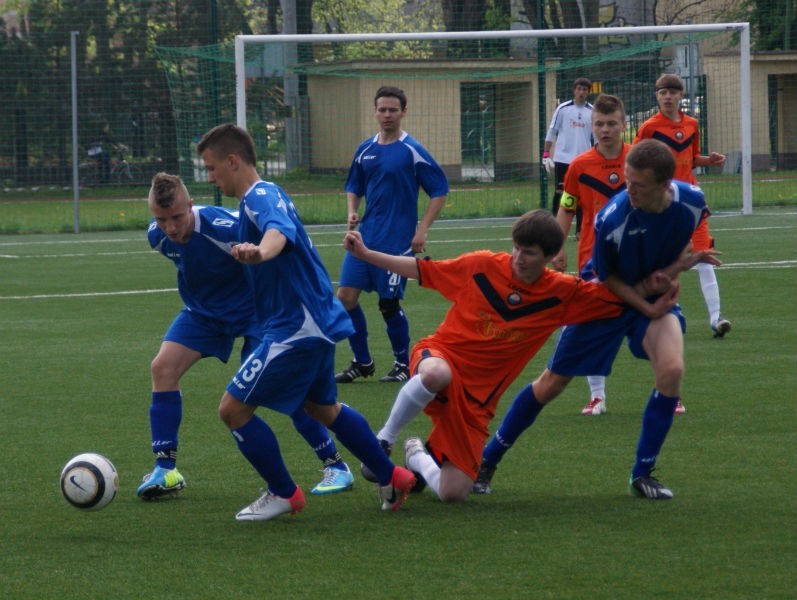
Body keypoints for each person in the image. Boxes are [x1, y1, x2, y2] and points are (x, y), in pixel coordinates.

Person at [343, 209, 685, 503]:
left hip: (477, 400)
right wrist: (367, 254)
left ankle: (416, 454)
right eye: (517, 248)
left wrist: (659, 286)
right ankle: (382, 443)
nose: (520, 258)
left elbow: (613, 298)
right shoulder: (482, 265)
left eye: (530, 253)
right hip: (442, 355)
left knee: (453, 494)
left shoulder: (563, 293)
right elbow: (421, 270)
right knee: (435, 374)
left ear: (550, 256)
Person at [474, 139, 721, 499]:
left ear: (666, 185)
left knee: (672, 371)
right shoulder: (613, 218)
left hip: (649, 299)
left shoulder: (693, 203)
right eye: (626, 180)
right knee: (550, 385)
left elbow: (673, 249)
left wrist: (673, 273)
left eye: (638, 185)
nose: (628, 190)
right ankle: (487, 460)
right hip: (602, 299)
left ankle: (643, 473)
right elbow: (608, 280)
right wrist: (649, 304)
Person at [196, 123, 416, 521]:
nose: (210, 177)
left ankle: (284, 493)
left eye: (211, 168)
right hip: (313, 320)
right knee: (322, 408)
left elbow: (277, 233)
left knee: (232, 410)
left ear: (232, 161)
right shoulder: (263, 196)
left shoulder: (259, 196)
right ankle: (392, 476)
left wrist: (260, 253)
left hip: (297, 327)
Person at [137, 172, 356, 500]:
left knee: (286, 389)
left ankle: (335, 464)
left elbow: (268, 236)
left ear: (191, 206)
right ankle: (165, 469)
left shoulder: (224, 227)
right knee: (162, 368)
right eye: (161, 219)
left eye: (177, 217)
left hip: (257, 315)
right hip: (204, 315)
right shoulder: (157, 237)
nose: (170, 226)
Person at [335, 85, 449, 385]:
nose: (387, 115)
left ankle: (402, 364)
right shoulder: (365, 150)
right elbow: (353, 185)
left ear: (403, 112)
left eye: (393, 110)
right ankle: (363, 361)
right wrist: (352, 210)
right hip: (365, 238)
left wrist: (421, 229)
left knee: (388, 305)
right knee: (345, 298)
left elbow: (439, 190)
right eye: (382, 109)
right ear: (375, 111)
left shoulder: (412, 150)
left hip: (397, 244)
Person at [550, 93, 630, 416]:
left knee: (653, 321)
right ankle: (597, 396)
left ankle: (669, 393)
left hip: (639, 256)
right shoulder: (580, 166)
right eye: (599, 124)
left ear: (624, 125)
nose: (605, 129)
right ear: (591, 126)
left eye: (611, 123)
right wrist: (557, 245)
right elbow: (567, 208)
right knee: (589, 322)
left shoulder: (639, 160)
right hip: (593, 259)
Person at [634, 73, 731, 339]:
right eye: (663, 92)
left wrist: (708, 161)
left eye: (672, 92)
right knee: (662, 260)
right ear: (657, 96)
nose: (668, 97)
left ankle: (716, 318)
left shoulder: (691, 123)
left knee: (704, 256)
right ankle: (668, 310)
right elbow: (634, 161)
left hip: (691, 200)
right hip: (661, 202)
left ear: (680, 96)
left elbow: (691, 157)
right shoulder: (649, 128)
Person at [543, 77, 594, 238]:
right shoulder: (563, 109)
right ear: (574, 91)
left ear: (588, 92)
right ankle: (553, 228)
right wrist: (546, 154)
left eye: (584, 90)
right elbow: (552, 130)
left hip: (583, 161)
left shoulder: (592, 111)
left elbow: (597, 138)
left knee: (581, 194)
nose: (581, 92)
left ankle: (580, 230)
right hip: (563, 158)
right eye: (578, 89)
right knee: (560, 192)